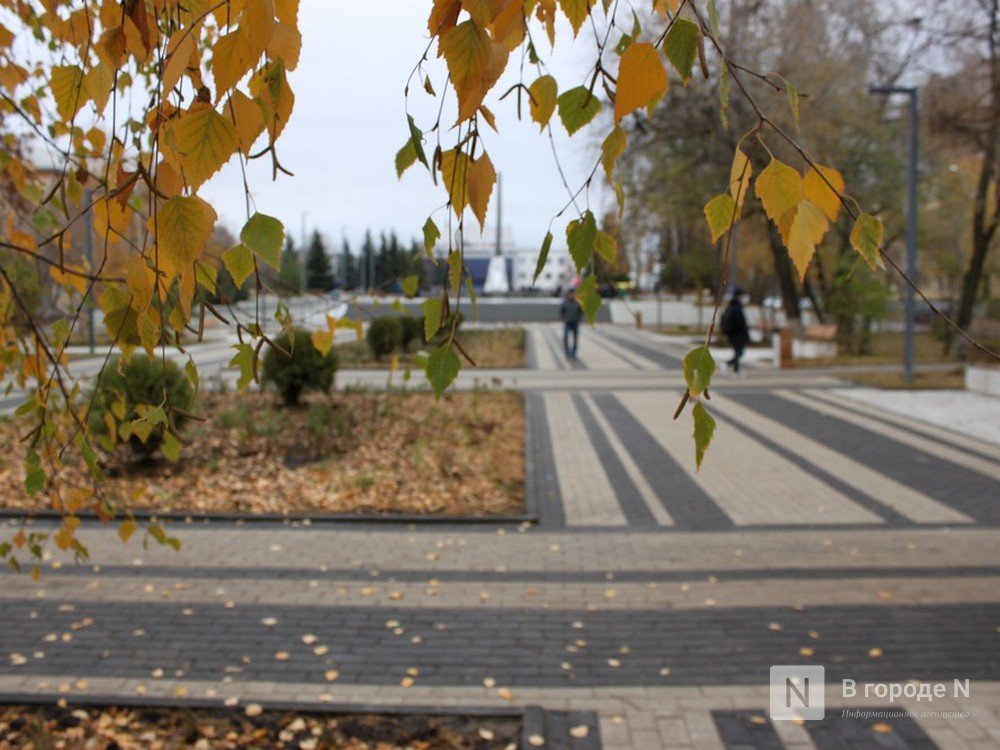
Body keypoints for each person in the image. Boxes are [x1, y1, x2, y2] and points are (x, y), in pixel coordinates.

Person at [720, 287, 750, 375]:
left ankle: (735, 371)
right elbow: (741, 323)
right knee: (739, 353)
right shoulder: (737, 308)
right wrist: (746, 334)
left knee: (738, 353)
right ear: (739, 296)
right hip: (738, 335)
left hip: (733, 335)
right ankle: (727, 365)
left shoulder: (730, 307)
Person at [559, 288, 583, 360]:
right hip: (567, 323)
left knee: (575, 338)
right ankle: (567, 352)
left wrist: (579, 319)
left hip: (575, 323)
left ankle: (574, 352)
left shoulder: (577, 302)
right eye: (570, 294)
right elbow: (561, 311)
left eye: (573, 294)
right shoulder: (565, 302)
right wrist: (563, 318)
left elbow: (581, 312)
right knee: (565, 337)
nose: (571, 295)